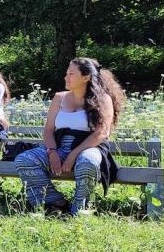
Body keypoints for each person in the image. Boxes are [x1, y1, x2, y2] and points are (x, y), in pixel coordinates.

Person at [15, 57, 124, 216]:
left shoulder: (103, 99)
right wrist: (52, 152)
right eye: (66, 73)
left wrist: (73, 155)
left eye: (71, 74)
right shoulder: (59, 98)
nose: (66, 77)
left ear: (86, 77)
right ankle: (53, 202)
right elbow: (48, 130)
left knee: (88, 162)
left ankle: (79, 209)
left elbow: (102, 132)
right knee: (24, 160)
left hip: (89, 147)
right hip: (59, 147)